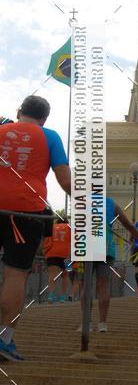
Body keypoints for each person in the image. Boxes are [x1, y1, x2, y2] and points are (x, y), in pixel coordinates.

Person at [0, 96, 71, 361]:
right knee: (15, 275)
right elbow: (64, 179)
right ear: (44, 119)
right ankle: (4, 339)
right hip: (25, 211)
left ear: (19, 112)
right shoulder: (49, 136)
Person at [79, 196, 138, 333]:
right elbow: (129, 225)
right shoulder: (110, 203)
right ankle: (103, 323)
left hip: (87, 245)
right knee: (103, 286)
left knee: (86, 285)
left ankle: (87, 323)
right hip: (105, 247)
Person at [43, 216, 72, 301]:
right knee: (65, 276)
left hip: (51, 253)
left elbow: (46, 240)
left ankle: (51, 295)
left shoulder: (52, 227)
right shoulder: (69, 227)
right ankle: (63, 297)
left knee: (52, 275)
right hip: (66, 255)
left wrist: (45, 252)